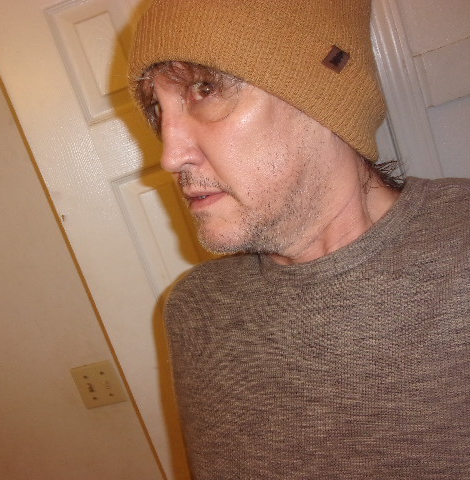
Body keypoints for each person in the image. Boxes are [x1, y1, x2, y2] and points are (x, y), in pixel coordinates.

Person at [127, 1, 470, 478]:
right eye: (157, 110)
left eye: (205, 90)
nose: (170, 156)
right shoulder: (197, 309)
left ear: (325, 100)